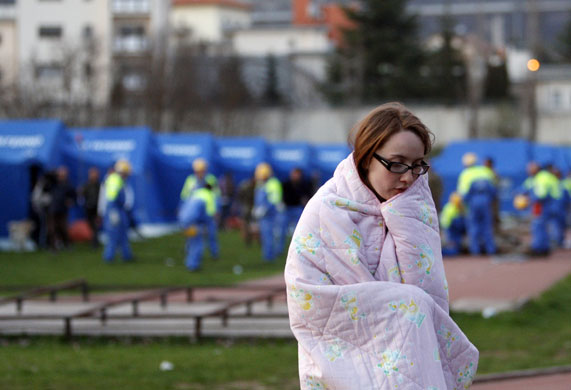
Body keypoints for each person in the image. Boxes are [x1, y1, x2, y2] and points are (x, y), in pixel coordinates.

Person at [285, 103, 478, 389]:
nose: (408, 177)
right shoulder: (327, 211)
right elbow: (312, 300)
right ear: (365, 159)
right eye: (397, 163)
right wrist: (410, 305)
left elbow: (432, 292)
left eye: (417, 166)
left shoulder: (416, 209)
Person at [180, 157, 219, 259]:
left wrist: (216, 210)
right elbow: (185, 196)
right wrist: (183, 209)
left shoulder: (210, 180)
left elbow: (215, 196)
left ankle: (214, 252)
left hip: (208, 212)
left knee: (211, 234)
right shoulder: (191, 180)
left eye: (201, 171)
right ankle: (190, 251)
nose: (199, 173)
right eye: (198, 171)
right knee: (193, 234)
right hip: (195, 213)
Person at [102, 159, 134, 263]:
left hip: (120, 210)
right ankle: (109, 257)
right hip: (115, 210)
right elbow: (112, 197)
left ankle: (126, 256)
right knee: (114, 235)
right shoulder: (115, 179)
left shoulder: (117, 179)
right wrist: (113, 212)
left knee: (123, 234)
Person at [253, 162, 285, 262]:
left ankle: (270, 256)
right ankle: (267, 256)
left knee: (271, 235)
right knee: (266, 235)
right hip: (264, 215)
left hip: (271, 214)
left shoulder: (273, 183)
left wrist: (264, 209)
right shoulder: (261, 184)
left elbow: (274, 200)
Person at [47, 166, 76, 250]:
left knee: (63, 228)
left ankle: (66, 244)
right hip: (53, 209)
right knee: (52, 229)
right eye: (61, 173)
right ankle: (53, 247)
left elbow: (73, 196)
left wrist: (70, 201)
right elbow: (47, 175)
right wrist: (56, 172)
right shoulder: (53, 183)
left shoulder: (68, 185)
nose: (62, 175)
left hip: (63, 210)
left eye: (64, 174)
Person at [282, 167, 314, 237]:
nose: (295, 176)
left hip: (299, 209)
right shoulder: (286, 184)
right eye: (294, 174)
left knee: (300, 229)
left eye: (297, 174)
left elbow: (308, 196)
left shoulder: (304, 184)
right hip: (287, 209)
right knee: (282, 230)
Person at [78, 167, 101, 247]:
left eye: (94, 174)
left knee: (96, 225)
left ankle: (95, 242)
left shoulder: (100, 185)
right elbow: (82, 195)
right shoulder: (86, 185)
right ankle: (94, 240)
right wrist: (80, 191)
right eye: (91, 174)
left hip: (97, 208)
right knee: (91, 225)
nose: (93, 175)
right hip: (89, 208)